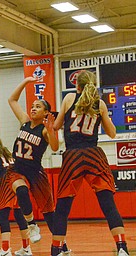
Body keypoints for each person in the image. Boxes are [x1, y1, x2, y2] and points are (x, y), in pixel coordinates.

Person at [51, 70, 129, 256]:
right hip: (94, 154)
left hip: (72, 156)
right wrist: (103, 115)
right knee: (108, 204)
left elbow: (55, 126)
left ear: (76, 85)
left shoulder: (69, 98)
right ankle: (122, 248)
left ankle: (55, 251)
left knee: (62, 207)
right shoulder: (100, 103)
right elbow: (111, 134)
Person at [7, 77, 59, 243]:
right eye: (32, 106)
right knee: (21, 191)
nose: (33, 108)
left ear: (46, 113)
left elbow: (55, 147)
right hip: (17, 169)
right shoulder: (24, 122)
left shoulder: (44, 131)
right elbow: (12, 100)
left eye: (38, 107)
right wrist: (25, 81)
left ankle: (62, 245)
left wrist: (51, 131)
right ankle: (32, 224)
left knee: (49, 213)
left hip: (35, 172)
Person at [0, 133, 34, 256]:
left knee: (3, 216)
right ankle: (26, 248)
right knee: (19, 214)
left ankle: (5, 249)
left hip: (5, 181)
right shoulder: (6, 151)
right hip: (17, 179)